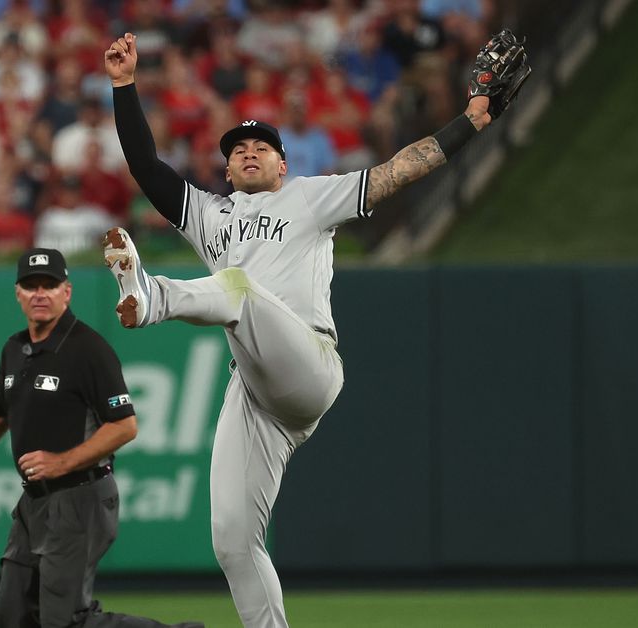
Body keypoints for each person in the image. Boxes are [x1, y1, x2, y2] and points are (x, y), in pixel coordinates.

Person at [103, 31, 526, 627]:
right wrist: (124, 85)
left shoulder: (309, 198)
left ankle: (152, 298)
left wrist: (472, 120)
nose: (249, 152)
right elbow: (146, 165)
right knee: (232, 540)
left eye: (262, 146)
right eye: (238, 148)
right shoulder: (207, 215)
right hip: (254, 390)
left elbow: (397, 171)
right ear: (227, 167)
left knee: (237, 287)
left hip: (309, 363)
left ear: (284, 163)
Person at [0, 248, 204, 628]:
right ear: (18, 294)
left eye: (50, 285)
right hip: (35, 502)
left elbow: (124, 425)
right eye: (31, 286)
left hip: (81, 496)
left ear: (67, 292)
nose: (40, 293)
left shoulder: (87, 349)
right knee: (11, 614)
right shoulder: (15, 349)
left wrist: (61, 461)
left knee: (66, 621)